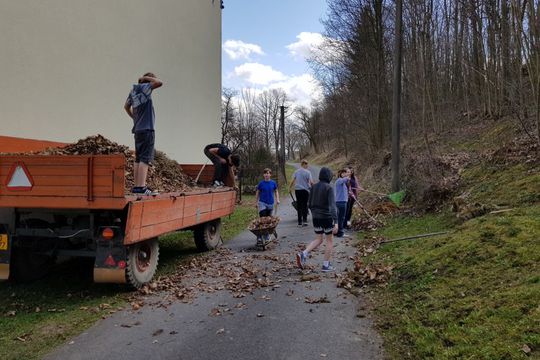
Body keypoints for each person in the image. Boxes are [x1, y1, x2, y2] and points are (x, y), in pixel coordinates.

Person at [124, 72, 163, 195]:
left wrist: (134, 119)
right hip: (147, 129)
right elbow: (159, 82)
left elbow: (126, 106)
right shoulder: (145, 88)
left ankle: (136, 187)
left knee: (138, 158)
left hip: (138, 130)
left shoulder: (133, 91)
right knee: (145, 159)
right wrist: (145, 78)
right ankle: (141, 187)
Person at [296, 167, 338, 272]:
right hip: (326, 218)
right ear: (329, 176)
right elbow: (332, 207)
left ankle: (303, 253)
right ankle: (326, 265)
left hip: (316, 218)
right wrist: (336, 222)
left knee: (318, 239)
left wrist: (314, 213)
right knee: (329, 241)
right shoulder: (329, 188)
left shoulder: (313, 187)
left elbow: (309, 204)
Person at [255, 168, 280, 244]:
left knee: (269, 220)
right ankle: (259, 236)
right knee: (262, 219)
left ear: (270, 175)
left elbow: (276, 191)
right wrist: (256, 202)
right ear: (263, 175)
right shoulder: (261, 183)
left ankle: (267, 236)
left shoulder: (273, 183)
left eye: (268, 173)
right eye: (265, 173)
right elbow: (258, 192)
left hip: (270, 203)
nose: (266, 175)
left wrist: (277, 199)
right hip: (262, 202)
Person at [289, 160, 314, 227]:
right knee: (305, 205)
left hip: (298, 190)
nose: (307, 166)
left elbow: (292, 180)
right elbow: (311, 182)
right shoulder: (308, 172)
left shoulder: (296, 172)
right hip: (305, 191)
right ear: (303, 164)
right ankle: (305, 221)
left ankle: (299, 222)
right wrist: (313, 188)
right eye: (306, 164)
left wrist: (290, 188)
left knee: (299, 205)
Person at [335, 168, 351, 238]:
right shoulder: (339, 180)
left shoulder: (342, 182)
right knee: (341, 218)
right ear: (341, 174)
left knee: (340, 218)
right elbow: (345, 179)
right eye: (344, 173)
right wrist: (347, 176)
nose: (345, 174)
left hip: (342, 201)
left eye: (346, 173)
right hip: (341, 202)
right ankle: (340, 233)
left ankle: (338, 231)